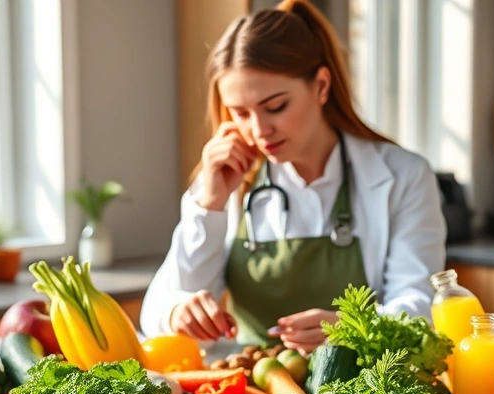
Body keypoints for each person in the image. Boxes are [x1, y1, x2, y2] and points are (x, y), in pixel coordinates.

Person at [140, 0, 446, 354]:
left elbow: (419, 311)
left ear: (320, 85)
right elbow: (157, 310)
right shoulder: (228, 180)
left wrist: (351, 327)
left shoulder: (403, 176)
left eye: (275, 107)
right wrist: (208, 208)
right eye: (240, 113)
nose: (258, 130)